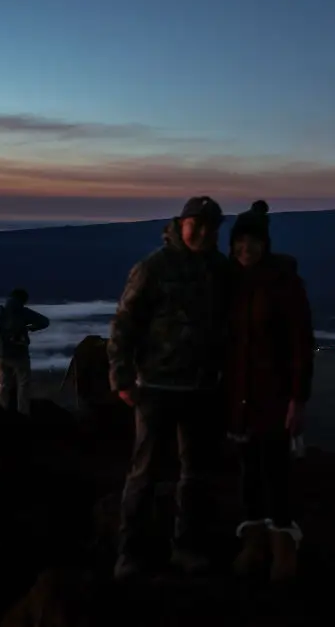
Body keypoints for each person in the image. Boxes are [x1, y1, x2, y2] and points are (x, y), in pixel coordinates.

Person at [107, 196, 231, 581]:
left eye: (211, 227)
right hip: (157, 387)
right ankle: (130, 553)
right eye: (197, 224)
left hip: (202, 388)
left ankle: (187, 547)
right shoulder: (154, 267)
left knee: (195, 473)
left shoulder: (220, 270)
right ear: (181, 224)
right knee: (145, 473)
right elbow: (124, 324)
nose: (204, 232)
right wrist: (122, 378)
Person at [224, 200, 315, 581]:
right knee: (248, 469)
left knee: (275, 468)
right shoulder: (227, 280)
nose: (246, 249)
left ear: (265, 244)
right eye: (239, 241)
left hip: (274, 393)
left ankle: (282, 543)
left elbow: (300, 342)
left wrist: (298, 398)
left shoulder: (284, 283)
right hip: (236, 394)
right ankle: (255, 539)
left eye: (253, 241)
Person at [0, 288, 50, 415]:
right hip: (20, 353)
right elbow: (45, 321)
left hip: (1, 354)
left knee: (3, 384)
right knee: (23, 383)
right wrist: (29, 328)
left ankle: (1, 412)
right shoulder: (23, 312)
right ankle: (23, 413)